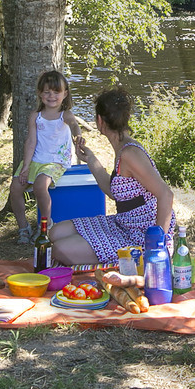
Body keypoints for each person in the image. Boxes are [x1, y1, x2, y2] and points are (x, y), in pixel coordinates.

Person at [50, 87, 175, 267]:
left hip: (141, 235)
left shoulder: (130, 153)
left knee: (59, 249)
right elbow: (113, 191)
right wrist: (91, 159)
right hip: (123, 223)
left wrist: (157, 247)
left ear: (100, 121)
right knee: (55, 232)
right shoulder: (123, 147)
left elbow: (166, 195)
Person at [8, 69, 81, 243]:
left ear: (65, 94)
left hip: (56, 161)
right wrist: (25, 166)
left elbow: (74, 126)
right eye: (47, 92)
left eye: (56, 92)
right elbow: (31, 141)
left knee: (41, 185)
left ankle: (45, 225)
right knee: (15, 188)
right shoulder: (36, 116)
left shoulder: (65, 115)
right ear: (40, 94)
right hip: (35, 159)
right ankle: (23, 228)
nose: (51, 96)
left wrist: (78, 137)